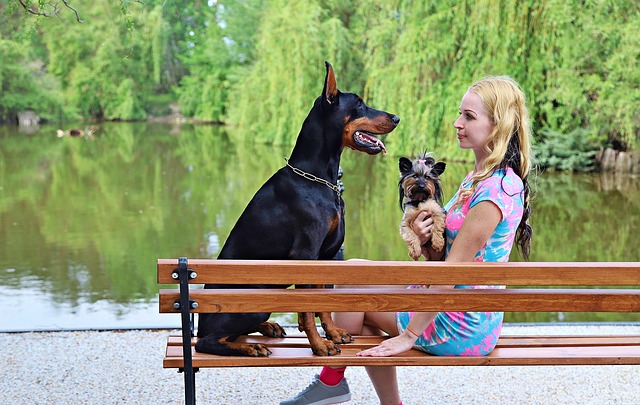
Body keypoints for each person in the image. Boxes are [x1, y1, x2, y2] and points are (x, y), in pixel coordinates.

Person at [280, 75, 534, 405]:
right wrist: (427, 242)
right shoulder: (478, 178)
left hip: (461, 323)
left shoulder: (494, 192)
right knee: (352, 275)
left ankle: (332, 383)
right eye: (460, 113)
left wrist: (408, 336)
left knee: (351, 295)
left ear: (498, 125)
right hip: (448, 301)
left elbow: (453, 274)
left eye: (469, 117)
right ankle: (352, 391)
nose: (458, 123)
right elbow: (446, 261)